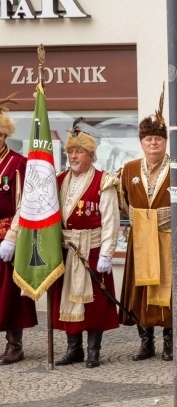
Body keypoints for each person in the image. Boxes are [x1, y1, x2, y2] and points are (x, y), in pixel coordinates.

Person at [118, 94, 177, 361]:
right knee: (141, 289)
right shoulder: (128, 170)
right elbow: (122, 204)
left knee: (170, 288)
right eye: (148, 139)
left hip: (168, 236)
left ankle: (169, 342)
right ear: (141, 143)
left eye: (158, 139)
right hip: (140, 238)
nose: (153, 143)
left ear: (166, 142)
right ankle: (146, 342)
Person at [46, 128, 119, 368]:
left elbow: (111, 220)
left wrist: (108, 253)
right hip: (66, 250)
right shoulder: (58, 180)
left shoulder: (103, 181)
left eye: (79, 152)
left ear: (90, 155)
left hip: (93, 250)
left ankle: (93, 351)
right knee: (68, 299)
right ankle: (73, 349)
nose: (73, 156)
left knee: (94, 304)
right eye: (70, 152)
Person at [0, 102, 37, 364]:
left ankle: (15, 344)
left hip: (7, 234)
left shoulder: (18, 163)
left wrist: (12, 238)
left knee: (9, 293)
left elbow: (25, 203)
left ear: (4, 135)